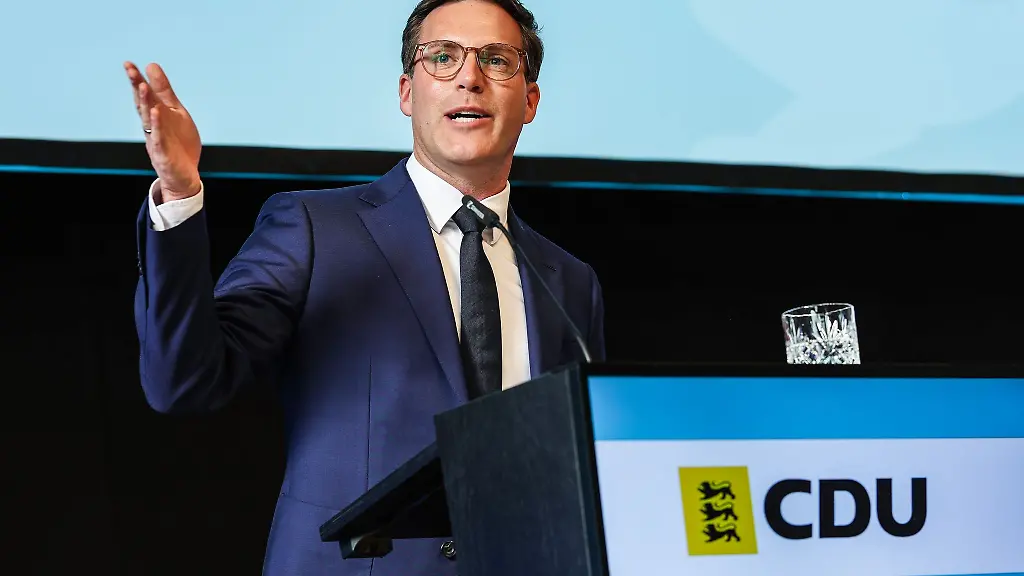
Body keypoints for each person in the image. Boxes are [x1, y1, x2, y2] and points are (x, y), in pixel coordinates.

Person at [125, 0, 605, 574]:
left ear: (529, 101)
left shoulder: (568, 282)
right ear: (407, 92)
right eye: (442, 57)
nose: (469, 78)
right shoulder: (314, 228)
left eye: (497, 60)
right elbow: (184, 381)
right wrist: (179, 196)